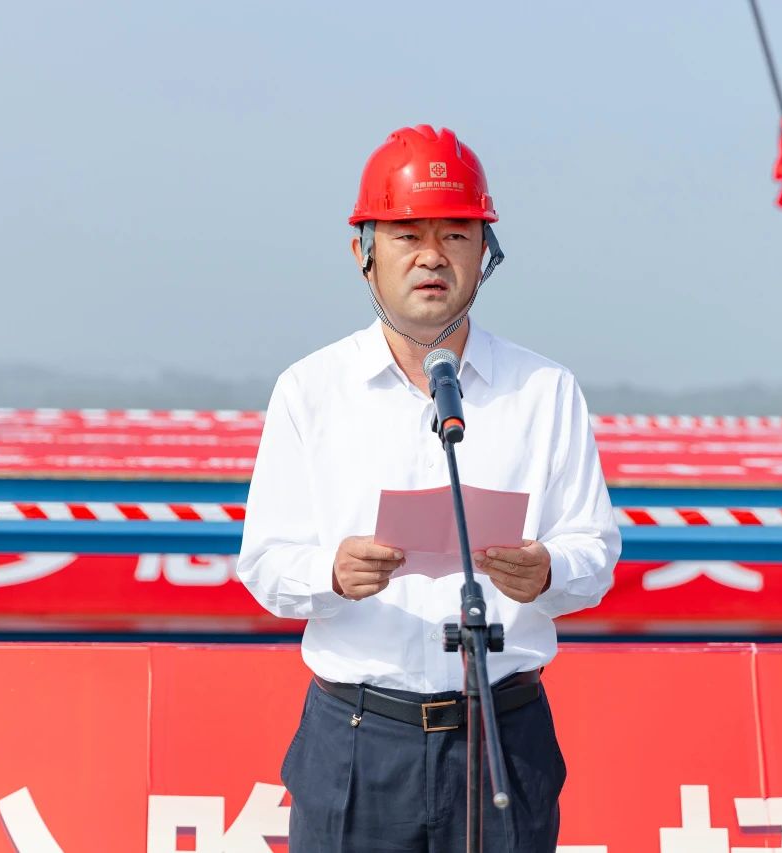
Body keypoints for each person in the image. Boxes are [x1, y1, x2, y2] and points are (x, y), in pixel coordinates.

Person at [236, 125, 620, 852]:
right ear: (363, 252)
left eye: (456, 235)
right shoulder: (311, 390)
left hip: (502, 733)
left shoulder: (544, 390)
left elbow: (595, 552)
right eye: (407, 235)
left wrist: (548, 570)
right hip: (359, 738)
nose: (432, 256)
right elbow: (264, 562)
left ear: (486, 253)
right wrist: (330, 573)